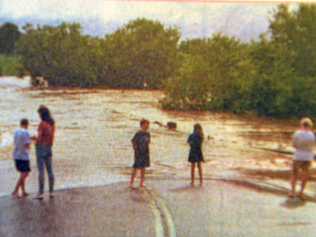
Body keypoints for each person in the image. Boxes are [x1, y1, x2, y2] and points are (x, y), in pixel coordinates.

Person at [289, 117, 315, 199]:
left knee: (294, 174)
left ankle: (292, 192)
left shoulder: (297, 133)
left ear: (301, 124)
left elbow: (293, 145)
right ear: (310, 125)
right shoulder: (313, 135)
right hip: (308, 156)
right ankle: (301, 192)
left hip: (298, 155)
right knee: (305, 175)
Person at [33, 105, 56, 200]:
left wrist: (33, 138)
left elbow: (38, 138)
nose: (38, 115)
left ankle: (41, 193)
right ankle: (51, 192)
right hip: (49, 147)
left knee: (41, 171)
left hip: (40, 147)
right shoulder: (52, 123)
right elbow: (52, 137)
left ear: (42, 114)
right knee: (50, 170)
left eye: (39, 113)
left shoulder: (42, 124)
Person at [12, 119, 32, 198]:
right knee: (25, 173)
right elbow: (27, 145)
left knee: (22, 173)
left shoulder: (16, 131)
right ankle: (15, 190)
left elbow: (16, 142)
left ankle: (23, 191)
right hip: (24, 156)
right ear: (26, 124)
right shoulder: (26, 132)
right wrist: (31, 143)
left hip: (16, 155)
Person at [129, 119, 151, 188]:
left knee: (143, 168)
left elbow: (148, 142)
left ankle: (141, 183)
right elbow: (133, 141)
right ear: (141, 125)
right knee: (135, 167)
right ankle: (131, 183)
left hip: (145, 152)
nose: (147, 126)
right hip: (138, 153)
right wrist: (135, 150)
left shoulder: (148, 133)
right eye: (145, 124)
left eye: (148, 124)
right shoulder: (138, 133)